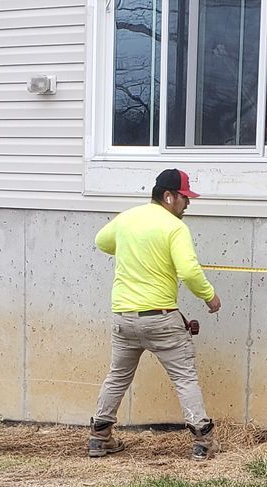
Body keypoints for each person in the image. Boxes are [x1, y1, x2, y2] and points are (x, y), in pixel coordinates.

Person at [88, 168, 222, 461]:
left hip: (124, 317)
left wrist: (134, 251)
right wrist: (209, 296)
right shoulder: (174, 228)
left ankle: (99, 438)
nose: (187, 204)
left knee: (117, 376)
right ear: (168, 196)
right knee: (185, 378)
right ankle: (203, 442)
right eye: (184, 198)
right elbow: (188, 271)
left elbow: (101, 241)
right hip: (161, 318)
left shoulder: (128, 218)